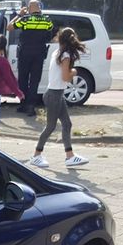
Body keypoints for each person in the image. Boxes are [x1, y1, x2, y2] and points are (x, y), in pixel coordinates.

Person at [29, 27, 88, 168]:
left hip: (56, 94)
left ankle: (70, 156)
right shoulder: (65, 55)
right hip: (54, 95)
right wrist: (73, 72)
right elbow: (65, 77)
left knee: (67, 124)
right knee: (51, 126)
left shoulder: (57, 52)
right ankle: (36, 155)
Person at [11, 0, 54, 116]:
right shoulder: (47, 20)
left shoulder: (25, 19)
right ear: (39, 7)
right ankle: (31, 106)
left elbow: (9, 27)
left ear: (29, 8)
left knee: (23, 80)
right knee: (35, 81)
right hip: (39, 54)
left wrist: (20, 14)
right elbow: (50, 33)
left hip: (25, 53)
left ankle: (24, 104)